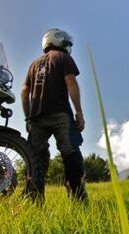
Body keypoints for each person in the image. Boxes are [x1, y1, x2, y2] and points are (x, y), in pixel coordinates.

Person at [21, 28, 87, 203]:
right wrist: (79, 113)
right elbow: (71, 82)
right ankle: (78, 197)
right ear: (58, 41)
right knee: (70, 151)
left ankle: (33, 200)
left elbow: (24, 92)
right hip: (60, 114)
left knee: (36, 157)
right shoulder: (63, 58)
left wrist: (28, 117)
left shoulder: (33, 64)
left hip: (36, 118)